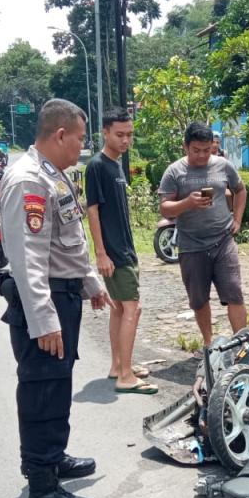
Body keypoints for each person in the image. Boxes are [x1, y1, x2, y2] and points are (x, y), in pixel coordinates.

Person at [0, 99, 113, 498]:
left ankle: (54, 457)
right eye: (80, 139)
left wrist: (91, 285)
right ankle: (42, 491)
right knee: (43, 390)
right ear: (60, 134)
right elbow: (28, 258)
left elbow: (70, 240)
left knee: (57, 384)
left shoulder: (55, 176)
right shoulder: (29, 180)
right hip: (43, 301)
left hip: (63, 295)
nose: (82, 147)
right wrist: (43, 320)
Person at [86, 108, 157, 395]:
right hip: (114, 253)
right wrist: (101, 253)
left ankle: (118, 365)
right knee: (132, 308)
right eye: (119, 135)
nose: (126, 140)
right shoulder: (97, 166)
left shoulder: (116, 165)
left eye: (129, 134)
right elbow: (92, 211)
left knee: (119, 309)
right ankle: (126, 376)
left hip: (126, 248)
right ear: (105, 132)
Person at [159, 123, 248, 347]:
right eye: (196, 150)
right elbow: (164, 208)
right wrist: (187, 202)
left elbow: (240, 189)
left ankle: (242, 344)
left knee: (234, 292)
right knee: (199, 300)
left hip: (223, 239)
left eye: (207, 150)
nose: (202, 155)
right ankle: (209, 344)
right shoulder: (174, 172)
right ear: (185, 147)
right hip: (191, 244)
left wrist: (237, 219)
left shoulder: (222, 166)